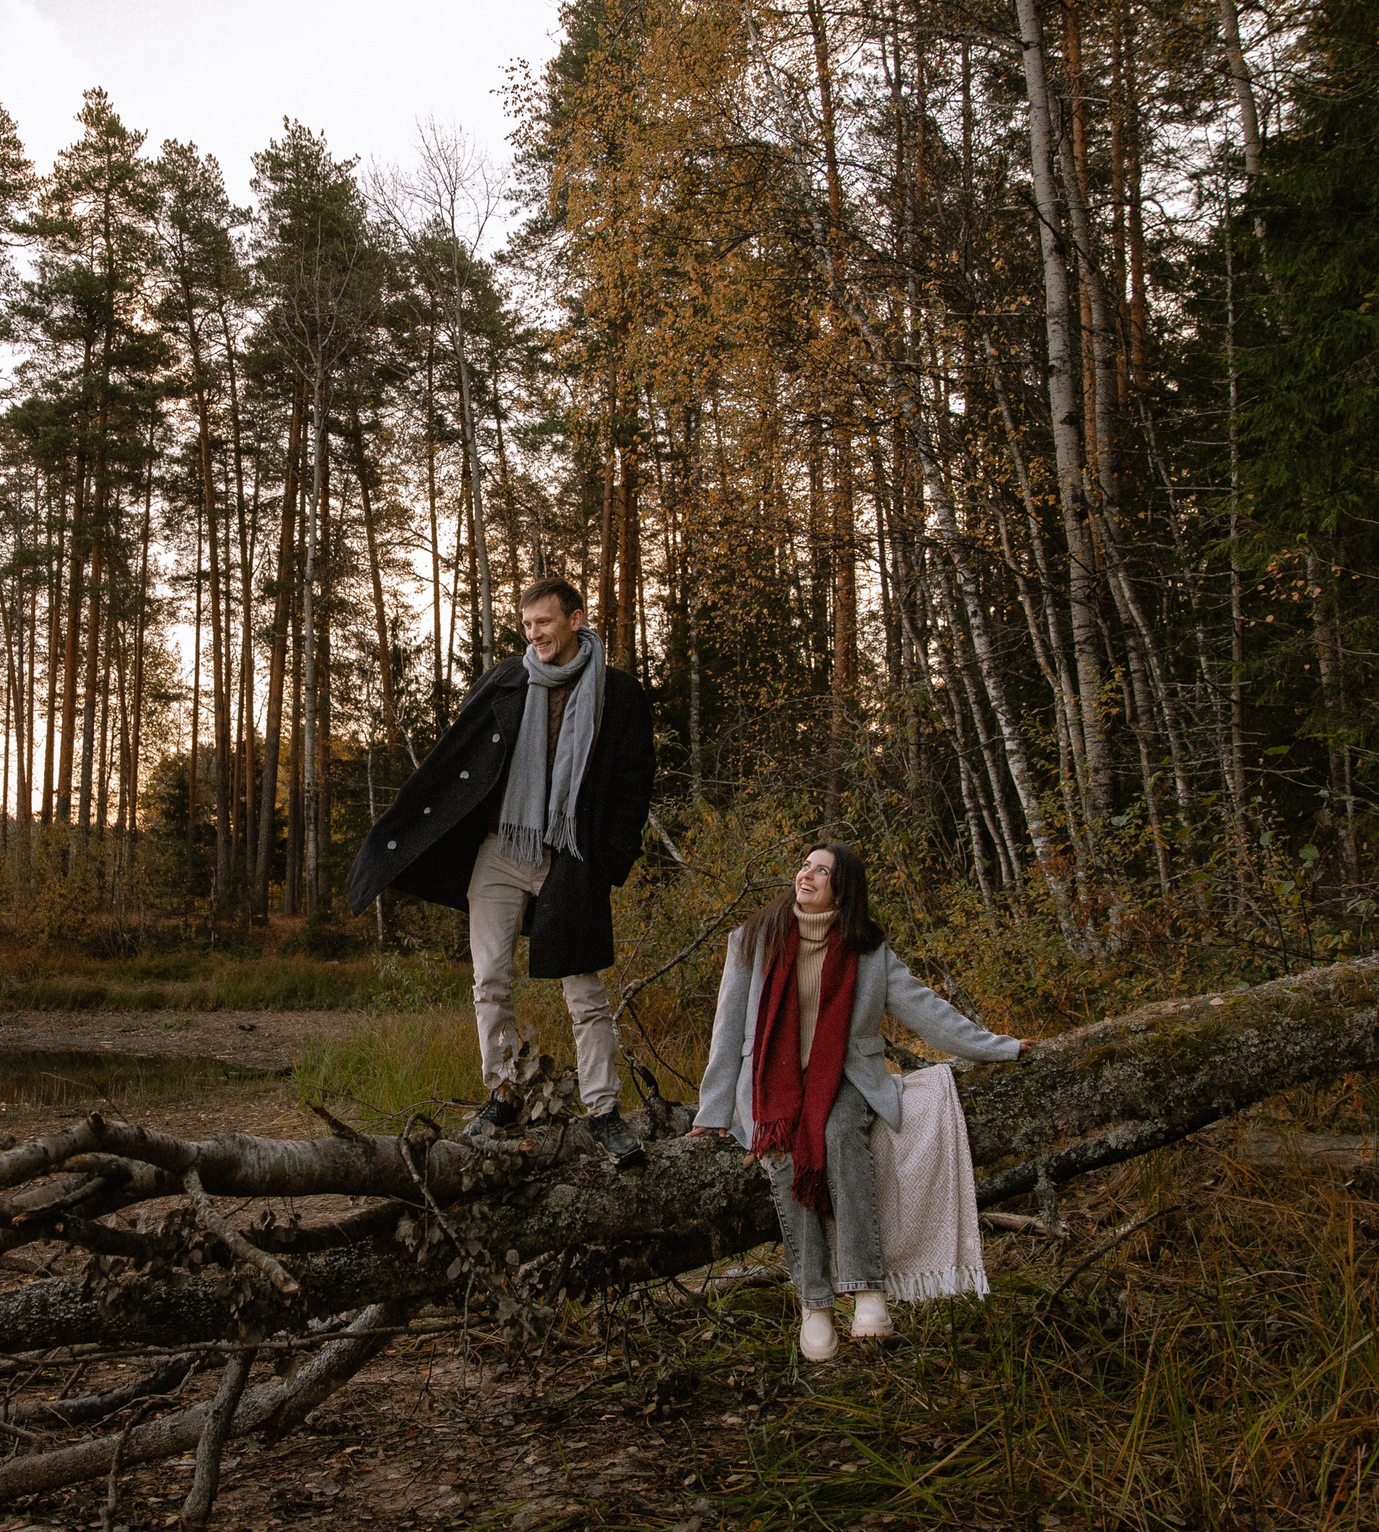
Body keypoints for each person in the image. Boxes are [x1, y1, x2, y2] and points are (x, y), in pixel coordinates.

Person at [346, 580, 656, 1169]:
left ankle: (603, 1112)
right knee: (490, 980)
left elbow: (634, 783)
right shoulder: (508, 680)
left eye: (544, 622)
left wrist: (612, 860)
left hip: (571, 853)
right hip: (502, 849)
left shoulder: (618, 694)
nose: (535, 635)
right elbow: (457, 755)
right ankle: (505, 1092)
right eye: (527, 625)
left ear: (575, 619)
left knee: (584, 993)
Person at [691, 841, 1020, 1360]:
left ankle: (867, 1291)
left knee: (842, 1135)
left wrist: (1003, 1047)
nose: (807, 876)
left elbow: (929, 1012)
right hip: (770, 1086)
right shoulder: (753, 939)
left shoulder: (868, 951)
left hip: (844, 1077)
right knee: (785, 1159)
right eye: (805, 866)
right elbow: (727, 1030)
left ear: (843, 890)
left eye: (822, 871)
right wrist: (711, 1114)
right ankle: (815, 1304)